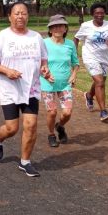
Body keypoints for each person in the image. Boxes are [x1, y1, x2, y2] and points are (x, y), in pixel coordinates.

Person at [0, 2, 53, 177]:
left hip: (31, 88)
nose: (20, 16)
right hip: (10, 89)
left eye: (23, 13)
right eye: (16, 13)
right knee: (12, 128)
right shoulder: (2, 37)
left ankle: (25, 162)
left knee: (31, 125)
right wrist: (7, 71)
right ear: (9, 16)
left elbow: (43, 60)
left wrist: (45, 69)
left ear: (28, 16)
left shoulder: (36, 37)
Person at [74, 3, 108, 122]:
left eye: (102, 13)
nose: (100, 15)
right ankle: (103, 111)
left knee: (100, 81)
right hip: (90, 57)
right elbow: (76, 38)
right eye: (97, 13)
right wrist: (74, 54)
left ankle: (89, 95)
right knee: (100, 82)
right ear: (92, 14)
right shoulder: (86, 26)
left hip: (105, 58)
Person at [39, 14, 79, 147]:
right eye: (54, 26)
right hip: (47, 83)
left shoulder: (70, 44)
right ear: (50, 30)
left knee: (67, 112)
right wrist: (45, 74)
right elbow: (36, 63)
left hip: (64, 84)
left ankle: (60, 126)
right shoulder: (43, 43)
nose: (57, 28)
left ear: (65, 28)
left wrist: (74, 74)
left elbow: (75, 62)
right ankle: (51, 134)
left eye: (60, 26)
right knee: (52, 112)